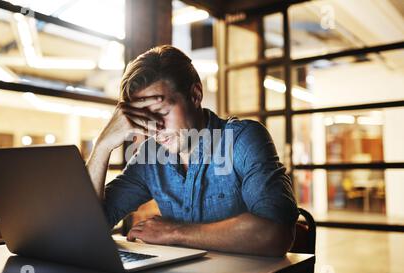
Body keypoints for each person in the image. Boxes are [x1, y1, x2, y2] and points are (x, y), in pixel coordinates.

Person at [86, 45, 299, 257]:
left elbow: (276, 233)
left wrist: (174, 232)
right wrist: (102, 145)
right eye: (144, 119)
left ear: (195, 95)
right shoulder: (150, 156)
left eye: (161, 112)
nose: (155, 128)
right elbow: (88, 228)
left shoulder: (241, 139)